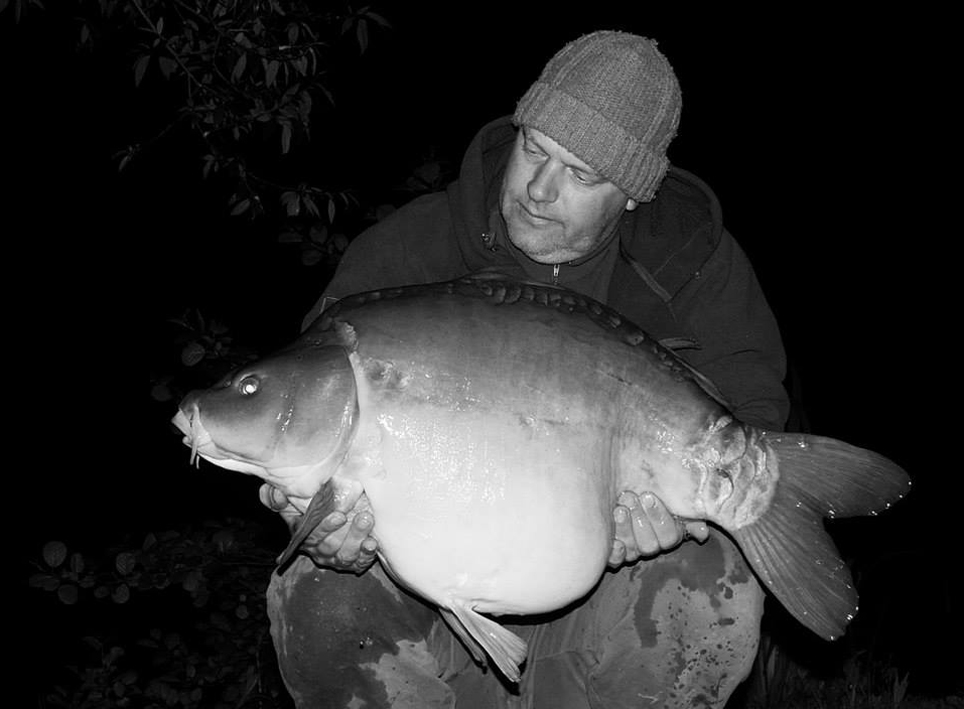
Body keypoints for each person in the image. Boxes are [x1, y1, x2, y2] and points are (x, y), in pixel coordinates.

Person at [261, 30, 789, 708]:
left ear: (632, 194)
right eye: (533, 149)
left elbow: (749, 420)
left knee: (711, 575)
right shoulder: (411, 251)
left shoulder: (692, 268)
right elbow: (300, 411)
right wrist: (317, 522)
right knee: (318, 590)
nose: (540, 189)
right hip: (425, 584)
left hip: (610, 586)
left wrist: (684, 519)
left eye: (581, 174)